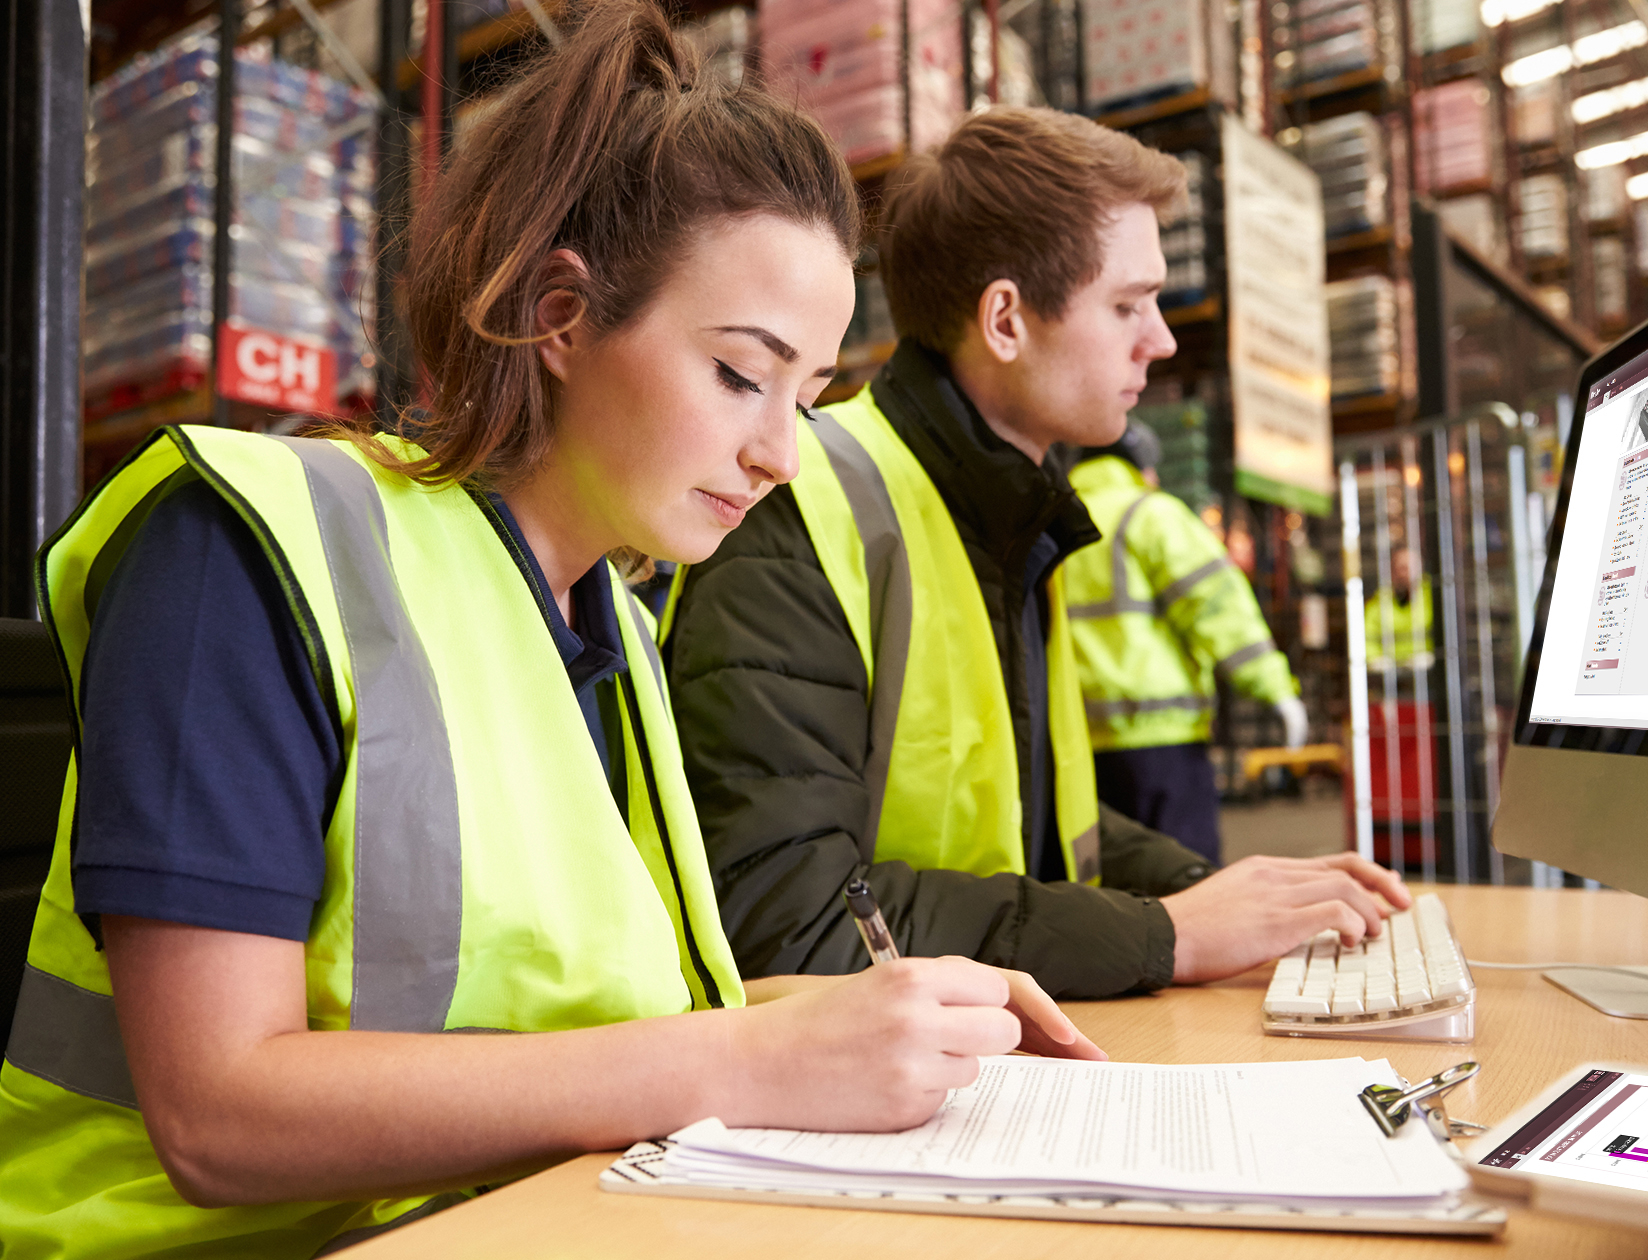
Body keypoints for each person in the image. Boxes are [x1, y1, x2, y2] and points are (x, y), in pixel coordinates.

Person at [0, 11, 1099, 1256]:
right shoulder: (249, 546)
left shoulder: (614, 630)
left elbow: (600, 1018)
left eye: (810, 396)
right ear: (562, 316)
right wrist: (744, 1055)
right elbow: (217, 1112)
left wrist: (873, 1014)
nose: (781, 455)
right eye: (743, 375)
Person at [663, 106, 1409, 1001]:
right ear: (1007, 320)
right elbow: (791, 918)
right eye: (1128, 303)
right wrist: (1163, 933)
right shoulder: (798, 506)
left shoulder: (1011, 517)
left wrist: (1222, 893)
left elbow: (1044, 834)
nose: (1161, 339)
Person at [1063, 421, 1309, 863]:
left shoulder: (1053, 520)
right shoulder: (1149, 513)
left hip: (1077, 745)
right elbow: (1215, 606)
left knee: (1109, 886)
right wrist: (1275, 690)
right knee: (1185, 875)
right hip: (1161, 739)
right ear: (1142, 467)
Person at [1365, 545, 1435, 668]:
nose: (1403, 573)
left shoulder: (1433, 596)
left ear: (1420, 569)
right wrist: (1375, 658)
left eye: (1408, 568)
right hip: (1391, 669)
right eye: (1399, 568)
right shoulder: (1380, 599)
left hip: (1428, 666)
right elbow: (1367, 635)